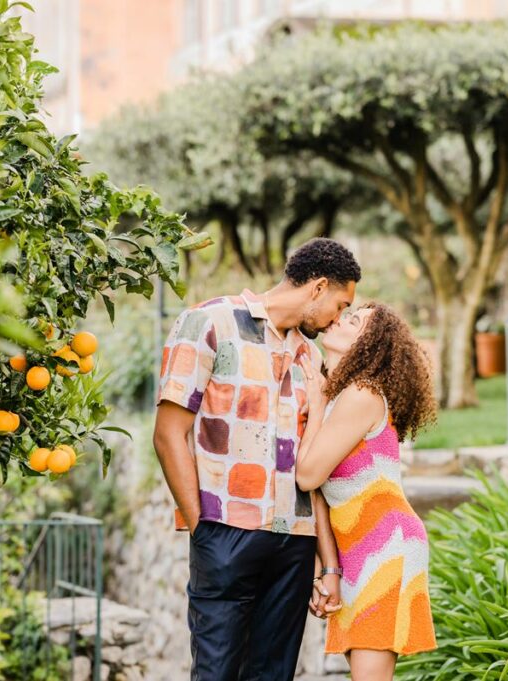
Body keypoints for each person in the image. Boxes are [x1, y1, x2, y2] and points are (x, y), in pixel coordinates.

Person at [153, 238, 361, 681]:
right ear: (318, 288)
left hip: (295, 545)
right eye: (340, 306)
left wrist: (328, 565)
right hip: (224, 535)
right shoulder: (208, 323)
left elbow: (315, 468)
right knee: (215, 673)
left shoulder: (312, 358)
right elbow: (169, 434)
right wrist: (201, 527)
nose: (337, 321)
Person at [296, 303, 438, 681]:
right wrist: (326, 569)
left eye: (353, 320)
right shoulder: (346, 396)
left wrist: (319, 401)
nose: (338, 318)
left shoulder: (362, 395)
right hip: (360, 548)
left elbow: (308, 475)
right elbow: (320, 495)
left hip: (385, 548)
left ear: (369, 345)